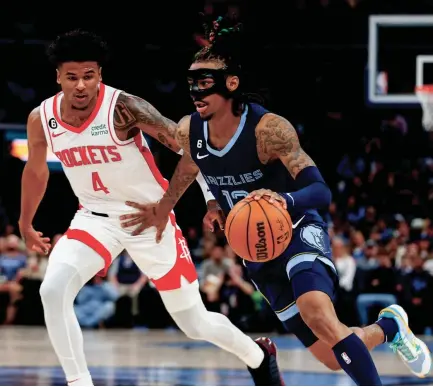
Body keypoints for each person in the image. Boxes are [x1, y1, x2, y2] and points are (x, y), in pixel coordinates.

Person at [121, 16, 432, 385]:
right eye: (191, 83)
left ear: (231, 84)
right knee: (333, 357)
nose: (195, 92)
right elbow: (192, 165)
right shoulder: (192, 130)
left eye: (204, 83)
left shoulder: (268, 129)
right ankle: (388, 327)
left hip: (298, 227)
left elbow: (320, 191)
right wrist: (175, 206)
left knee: (316, 311)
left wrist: (284, 199)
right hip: (256, 248)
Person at [18, 30, 284, 386]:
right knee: (52, 290)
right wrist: (25, 221)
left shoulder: (124, 108)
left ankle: (257, 355)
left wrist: (206, 198)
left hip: (150, 217)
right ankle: (78, 382)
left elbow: (189, 147)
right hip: (94, 218)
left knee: (194, 323)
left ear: (99, 74)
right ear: (58, 77)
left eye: (88, 76)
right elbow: (35, 170)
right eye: (71, 77)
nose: (80, 85)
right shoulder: (42, 117)